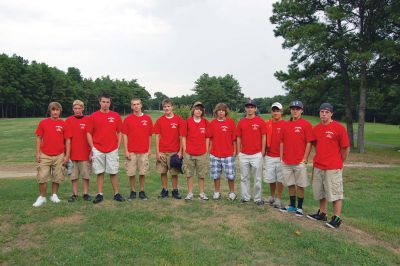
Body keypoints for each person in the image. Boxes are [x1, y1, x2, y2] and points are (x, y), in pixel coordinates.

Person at [307, 103, 350, 228]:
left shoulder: (339, 128)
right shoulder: (316, 128)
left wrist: (340, 161)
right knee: (321, 191)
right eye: (322, 112)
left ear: (331, 113)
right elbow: (314, 143)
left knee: (336, 193)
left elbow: (345, 147)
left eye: (326, 112)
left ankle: (336, 218)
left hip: (333, 166)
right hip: (319, 165)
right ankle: (322, 213)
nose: (324, 114)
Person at [86, 94, 125, 204]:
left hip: (112, 149)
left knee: (113, 172)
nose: (105, 104)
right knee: (100, 172)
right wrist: (93, 147)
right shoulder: (93, 116)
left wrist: (117, 146)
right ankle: (100, 194)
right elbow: (88, 133)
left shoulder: (116, 116)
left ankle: (116, 193)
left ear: (110, 103)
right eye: (103, 102)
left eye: (107, 102)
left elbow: (120, 132)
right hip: (98, 148)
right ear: (100, 102)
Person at [279, 100, 314, 216]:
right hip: (286, 160)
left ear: (301, 111)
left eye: (297, 109)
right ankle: (292, 206)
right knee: (290, 184)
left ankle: (300, 207)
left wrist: (305, 158)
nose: (295, 111)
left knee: (300, 185)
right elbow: (282, 142)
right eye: (293, 109)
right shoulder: (285, 124)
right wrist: (281, 157)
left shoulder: (306, 124)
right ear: (290, 110)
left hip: (299, 160)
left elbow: (309, 142)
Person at [33, 102, 71, 207]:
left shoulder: (64, 124)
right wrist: (37, 153)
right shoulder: (43, 123)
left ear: (60, 111)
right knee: (42, 177)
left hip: (59, 155)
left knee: (57, 176)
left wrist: (67, 156)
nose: (55, 112)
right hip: (45, 154)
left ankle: (54, 195)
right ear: (50, 111)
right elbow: (39, 138)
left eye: (57, 110)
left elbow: (68, 140)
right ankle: (42, 197)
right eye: (53, 110)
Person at [122, 98, 153, 201]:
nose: (136, 106)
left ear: (141, 105)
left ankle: (142, 191)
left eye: (138, 104)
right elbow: (125, 135)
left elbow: (149, 135)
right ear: (131, 106)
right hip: (131, 151)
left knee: (142, 172)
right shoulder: (127, 119)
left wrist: (149, 149)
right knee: (131, 173)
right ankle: (133, 191)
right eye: (134, 104)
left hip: (143, 151)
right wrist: (126, 150)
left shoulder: (147, 119)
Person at [236, 99, 266, 205]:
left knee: (257, 178)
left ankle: (257, 198)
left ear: (255, 109)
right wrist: (239, 151)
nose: (250, 109)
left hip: (256, 154)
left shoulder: (260, 121)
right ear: (245, 108)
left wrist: (262, 151)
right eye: (248, 107)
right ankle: (245, 197)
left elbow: (263, 136)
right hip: (244, 154)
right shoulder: (241, 121)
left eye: (252, 107)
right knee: (244, 177)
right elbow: (238, 137)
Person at [154, 98, 183, 199]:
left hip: (174, 152)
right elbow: (157, 136)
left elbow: (181, 136)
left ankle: (175, 191)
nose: (166, 108)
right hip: (162, 151)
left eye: (168, 106)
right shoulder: (160, 120)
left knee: (174, 173)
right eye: (165, 107)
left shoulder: (178, 119)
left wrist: (180, 151)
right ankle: (164, 190)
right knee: (163, 172)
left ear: (172, 107)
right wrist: (157, 152)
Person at [181, 101, 210, 201]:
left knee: (201, 174)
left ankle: (201, 193)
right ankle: (190, 193)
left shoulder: (205, 122)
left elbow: (207, 137)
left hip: (202, 153)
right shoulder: (187, 121)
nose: (198, 111)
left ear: (202, 112)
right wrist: (185, 150)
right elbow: (183, 136)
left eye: (200, 109)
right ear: (193, 110)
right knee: (189, 174)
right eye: (196, 109)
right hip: (189, 153)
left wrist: (206, 150)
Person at [208, 103, 237, 201]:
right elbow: (210, 139)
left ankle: (232, 192)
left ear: (225, 112)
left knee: (231, 175)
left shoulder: (231, 122)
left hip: (228, 153)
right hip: (215, 154)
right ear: (216, 112)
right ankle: (216, 192)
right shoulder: (212, 123)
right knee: (216, 175)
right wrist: (210, 151)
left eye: (223, 110)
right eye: (219, 110)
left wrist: (235, 150)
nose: (221, 112)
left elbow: (234, 139)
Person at [65, 100, 92, 202]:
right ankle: (74, 194)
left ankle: (85, 193)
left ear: (83, 108)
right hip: (72, 154)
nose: (77, 110)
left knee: (86, 175)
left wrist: (91, 151)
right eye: (75, 108)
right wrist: (66, 154)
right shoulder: (68, 120)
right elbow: (66, 138)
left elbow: (91, 137)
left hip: (85, 153)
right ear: (73, 109)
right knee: (74, 176)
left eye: (79, 108)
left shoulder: (88, 120)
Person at [263, 102, 285, 208]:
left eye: (278, 111)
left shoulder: (285, 124)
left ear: (281, 112)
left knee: (280, 179)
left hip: (281, 156)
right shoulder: (267, 123)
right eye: (274, 111)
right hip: (269, 155)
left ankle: (279, 198)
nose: (276, 113)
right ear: (271, 112)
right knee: (271, 178)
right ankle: (272, 196)